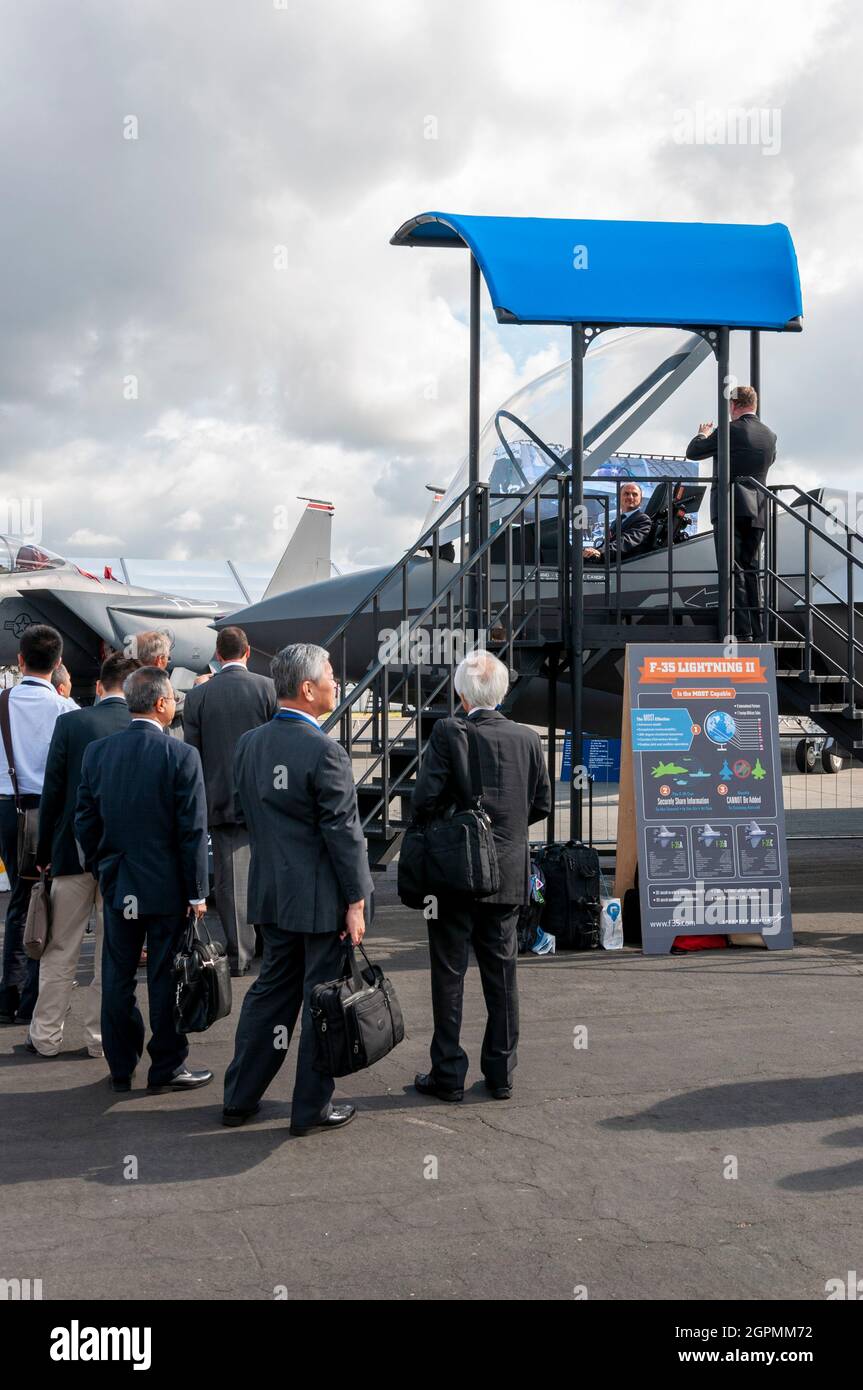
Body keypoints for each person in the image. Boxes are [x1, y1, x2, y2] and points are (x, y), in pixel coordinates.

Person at [222, 643, 372, 1136]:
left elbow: (246, 813)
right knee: (322, 1001)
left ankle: (240, 1096)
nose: (336, 682)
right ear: (308, 689)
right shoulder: (325, 750)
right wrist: (356, 900)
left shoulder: (250, 744)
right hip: (320, 900)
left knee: (270, 995)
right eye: (331, 675)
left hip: (271, 893)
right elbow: (343, 833)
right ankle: (309, 1108)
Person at [410, 649, 552, 1103]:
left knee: (449, 975)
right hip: (506, 873)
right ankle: (501, 1071)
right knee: (502, 974)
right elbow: (541, 804)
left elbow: (423, 801)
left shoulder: (450, 734)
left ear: (460, 692)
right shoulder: (527, 739)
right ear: (503, 691)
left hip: (453, 874)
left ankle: (448, 1072)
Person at [75, 666, 212, 1093]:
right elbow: (192, 831)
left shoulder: (98, 753)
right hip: (167, 887)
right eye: (172, 698)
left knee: (116, 977)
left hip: (120, 885)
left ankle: (121, 1065)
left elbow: (85, 821)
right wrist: (197, 892)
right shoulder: (180, 755)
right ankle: (167, 1064)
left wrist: (104, 867)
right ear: (160, 703)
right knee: (165, 978)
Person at [28, 654, 138, 1057]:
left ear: (99, 686)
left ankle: (46, 1035)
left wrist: (44, 854)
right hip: (122, 861)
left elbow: (53, 793)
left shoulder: (71, 723)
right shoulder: (139, 727)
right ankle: (100, 1038)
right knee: (112, 953)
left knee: (60, 949)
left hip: (70, 854)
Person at [183, 626, 277, 977]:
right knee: (268, 870)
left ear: (218, 656)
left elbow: (193, 755)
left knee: (230, 880)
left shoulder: (198, 698)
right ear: (248, 652)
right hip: (264, 796)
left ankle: (240, 953)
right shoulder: (267, 689)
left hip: (218, 796)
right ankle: (271, 943)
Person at [0, 625, 77, 1025]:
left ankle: (9, 994)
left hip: (8, 809)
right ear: (59, 663)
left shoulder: (2, 702)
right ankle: (34, 994)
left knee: (19, 900)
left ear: (20, 660)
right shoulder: (67, 710)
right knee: (51, 901)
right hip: (53, 811)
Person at [685, 385, 777, 640]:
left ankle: (741, 629)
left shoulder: (730, 430)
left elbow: (693, 453)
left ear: (733, 405)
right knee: (751, 568)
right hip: (758, 508)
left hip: (731, 507)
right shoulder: (770, 435)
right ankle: (758, 628)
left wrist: (703, 435)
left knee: (732, 567)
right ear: (754, 404)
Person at [583, 481, 651, 563]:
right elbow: (607, 543)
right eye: (626, 494)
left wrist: (600, 552)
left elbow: (626, 541)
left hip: (627, 565)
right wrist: (592, 551)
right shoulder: (618, 520)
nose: (630, 497)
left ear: (641, 500)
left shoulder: (643, 520)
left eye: (635, 494)